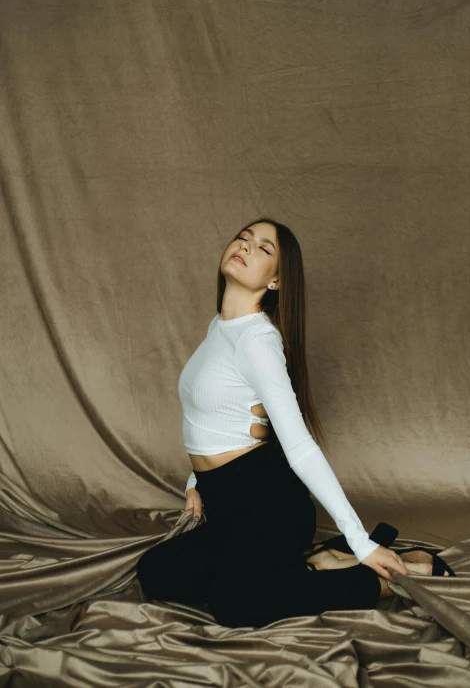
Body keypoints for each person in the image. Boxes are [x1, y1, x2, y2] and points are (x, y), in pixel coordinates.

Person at [136, 218, 448, 628]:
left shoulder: (257, 340)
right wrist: (196, 483)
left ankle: (377, 580)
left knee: (236, 605)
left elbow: (299, 446)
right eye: (244, 238)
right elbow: (209, 414)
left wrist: (361, 540)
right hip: (225, 504)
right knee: (157, 572)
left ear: (278, 281)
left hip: (269, 505)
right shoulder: (220, 327)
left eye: (264, 249)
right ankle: (315, 563)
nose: (246, 246)